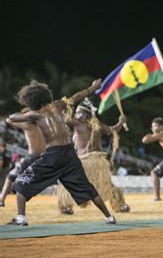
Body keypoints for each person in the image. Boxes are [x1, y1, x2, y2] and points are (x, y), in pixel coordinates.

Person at [6, 79, 115, 225]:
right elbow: (77, 97)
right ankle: (109, 217)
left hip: (54, 156)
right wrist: (92, 87)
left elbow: (11, 118)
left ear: (31, 100)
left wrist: (27, 113)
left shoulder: (35, 114)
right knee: (87, 187)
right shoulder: (58, 105)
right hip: (70, 154)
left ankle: (21, 218)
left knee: (21, 181)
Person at [56, 98, 130, 214]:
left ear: (85, 114)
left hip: (84, 161)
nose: (76, 114)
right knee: (107, 184)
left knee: (68, 181)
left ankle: (66, 206)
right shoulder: (97, 124)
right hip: (99, 161)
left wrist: (64, 105)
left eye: (79, 112)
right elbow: (112, 130)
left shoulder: (79, 123)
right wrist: (121, 122)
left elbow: (62, 118)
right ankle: (120, 205)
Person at [0, 119, 45, 206]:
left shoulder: (28, 126)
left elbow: (9, 121)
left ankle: (1, 200)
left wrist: (20, 117)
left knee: (10, 176)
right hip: (43, 158)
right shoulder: (43, 128)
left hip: (32, 158)